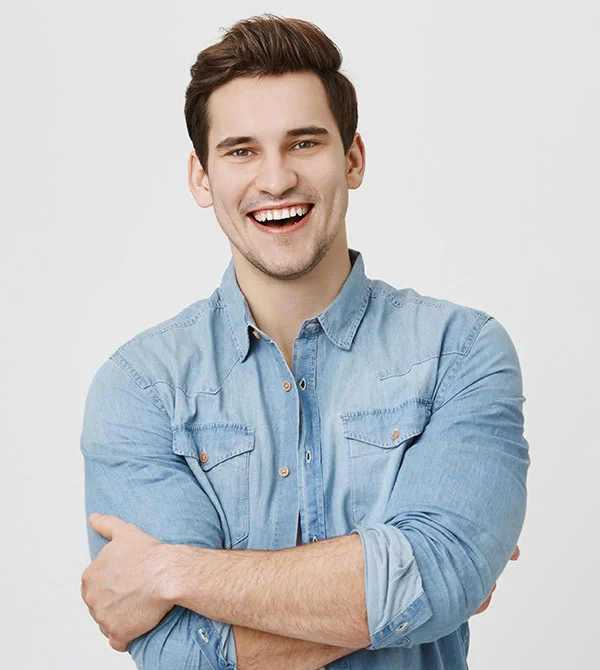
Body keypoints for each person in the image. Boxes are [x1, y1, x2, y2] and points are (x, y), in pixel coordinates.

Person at [80, 13, 529, 670]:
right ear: (202, 178)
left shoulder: (460, 353)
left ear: (353, 159)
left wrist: (170, 572)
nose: (275, 179)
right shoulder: (140, 388)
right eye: (241, 151)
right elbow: (177, 654)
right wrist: (418, 589)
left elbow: (444, 572)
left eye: (304, 143)